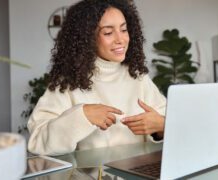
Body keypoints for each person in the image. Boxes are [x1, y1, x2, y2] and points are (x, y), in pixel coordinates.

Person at [27, 0, 166, 155]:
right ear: (87, 37)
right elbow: (37, 141)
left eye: (124, 29)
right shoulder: (67, 83)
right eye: (108, 32)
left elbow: (172, 125)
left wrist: (162, 126)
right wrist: (82, 116)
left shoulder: (138, 77)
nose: (121, 39)